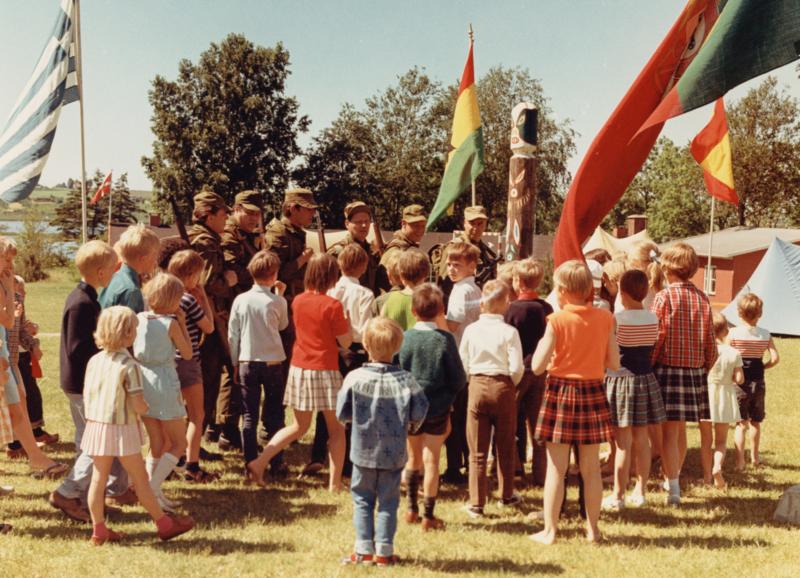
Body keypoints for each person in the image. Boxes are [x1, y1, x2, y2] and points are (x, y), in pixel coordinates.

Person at [82, 306, 194, 544]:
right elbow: (138, 404)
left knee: (97, 480)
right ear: (128, 334)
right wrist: (147, 408)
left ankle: (98, 529)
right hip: (122, 429)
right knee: (140, 479)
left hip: (97, 426)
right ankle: (164, 524)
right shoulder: (129, 365)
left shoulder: (94, 361)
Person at [530, 260, 619, 545]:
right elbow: (615, 362)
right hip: (593, 392)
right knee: (591, 469)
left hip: (561, 392)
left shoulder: (556, 320)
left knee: (557, 469)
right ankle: (593, 530)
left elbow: (536, 366)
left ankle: (550, 531)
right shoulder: (606, 318)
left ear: (564, 290)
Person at [246, 254, 351, 491]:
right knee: (336, 430)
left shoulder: (298, 301)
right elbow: (344, 341)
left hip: (299, 368)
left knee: (298, 427)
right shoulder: (333, 305)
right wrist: (348, 321)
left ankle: (260, 462)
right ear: (331, 277)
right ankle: (334, 484)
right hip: (325, 369)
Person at [337, 317, 429, 566]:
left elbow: (342, 412)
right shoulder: (406, 379)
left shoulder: (354, 378)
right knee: (389, 502)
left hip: (362, 449)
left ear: (365, 344)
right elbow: (421, 410)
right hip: (394, 452)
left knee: (362, 499)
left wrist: (351, 422)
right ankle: (384, 552)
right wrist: (410, 427)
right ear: (398, 346)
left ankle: (364, 549)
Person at [50, 241, 119, 522]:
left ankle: (88, 500)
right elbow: (78, 349)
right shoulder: (82, 303)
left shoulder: (86, 297)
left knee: (86, 442)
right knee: (95, 443)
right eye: (113, 268)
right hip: (82, 385)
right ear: (101, 272)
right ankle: (67, 492)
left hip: (80, 384)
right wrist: (106, 350)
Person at [651, 242, 716, 506]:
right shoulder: (703, 298)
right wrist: (704, 367)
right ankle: (672, 479)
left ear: (668, 268)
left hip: (668, 369)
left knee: (669, 432)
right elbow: (710, 342)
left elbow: (657, 336)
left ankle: (673, 487)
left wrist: (650, 364)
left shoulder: (663, 297)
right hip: (694, 371)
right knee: (678, 431)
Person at [397, 284, 466, 530]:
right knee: (432, 460)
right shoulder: (445, 340)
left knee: (412, 457)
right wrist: (448, 398)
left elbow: (396, 372)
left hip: (410, 407)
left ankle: (410, 509)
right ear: (441, 311)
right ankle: (428, 514)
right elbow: (458, 378)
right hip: (437, 407)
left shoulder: (404, 338)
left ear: (413, 311)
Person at [305, 243, 376, 476]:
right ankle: (345, 462)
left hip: (330, 348)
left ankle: (317, 454)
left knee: (327, 404)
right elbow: (365, 327)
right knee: (352, 407)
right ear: (363, 267)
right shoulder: (365, 294)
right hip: (354, 349)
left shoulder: (331, 292)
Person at [0, 238, 66, 480]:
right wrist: (8, 290)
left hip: (6, 354)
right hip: (1, 356)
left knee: (19, 404)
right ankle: (35, 458)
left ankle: (37, 458)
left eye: (11, 260)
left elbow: (9, 321)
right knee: (15, 407)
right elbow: (7, 321)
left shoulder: (5, 284)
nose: (10, 264)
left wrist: (8, 288)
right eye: (5, 259)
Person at [459, 280, 524, 518]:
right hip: (503, 384)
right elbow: (517, 366)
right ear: (506, 304)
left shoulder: (471, 330)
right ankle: (506, 494)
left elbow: (463, 361)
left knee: (477, 448)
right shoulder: (509, 332)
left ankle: (477, 502)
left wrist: (472, 381)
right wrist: (510, 383)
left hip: (477, 382)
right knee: (505, 443)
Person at [602, 270, 665, 511]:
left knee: (622, 443)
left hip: (620, 380)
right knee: (642, 440)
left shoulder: (616, 319)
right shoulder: (653, 318)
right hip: (645, 379)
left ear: (623, 292)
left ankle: (618, 494)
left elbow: (609, 349)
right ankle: (640, 490)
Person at [134, 273, 193, 511]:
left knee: (156, 441)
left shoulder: (139, 318)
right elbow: (188, 353)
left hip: (142, 380)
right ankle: (151, 489)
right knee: (179, 443)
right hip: (164, 381)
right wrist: (183, 324)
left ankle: (153, 493)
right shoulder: (170, 324)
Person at [228, 250, 289, 475]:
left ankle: (250, 462)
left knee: (249, 415)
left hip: (247, 360)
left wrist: (235, 362)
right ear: (274, 275)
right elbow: (283, 326)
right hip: (273, 361)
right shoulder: (276, 301)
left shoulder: (240, 300)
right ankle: (276, 461)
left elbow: (232, 334)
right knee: (275, 415)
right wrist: (280, 295)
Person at [188, 191, 239, 452]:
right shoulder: (206, 242)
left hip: (208, 319)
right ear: (209, 216)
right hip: (208, 322)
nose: (226, 218)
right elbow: (206, 283)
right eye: (222, 214)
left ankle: (195, 447)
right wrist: (228, 282)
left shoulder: (207, 238)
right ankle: (192, 451)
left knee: (209, 384)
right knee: (206, 386)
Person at [167, 250, 217, 482]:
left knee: (171, 414)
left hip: (168, 361)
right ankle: (192, 464)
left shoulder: (164, 296)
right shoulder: (188, 299)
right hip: (188, 360)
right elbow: (209, 327)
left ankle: (168, 461)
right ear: (190, 276)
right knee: (196, 414)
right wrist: (204, 297)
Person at [504, 258, 553, 486]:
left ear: (516, 281)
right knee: (538, 425)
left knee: (510, 421)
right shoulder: (546, 308)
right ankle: (541, 475)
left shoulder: (512, 309)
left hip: (517, 370)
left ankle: (514, 468)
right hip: (540, 370)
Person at [728, 293, 779, 470]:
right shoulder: (765, 334)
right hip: (759, 381)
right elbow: (775, 358)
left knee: (741, 424)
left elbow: (727, 355)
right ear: (760, 313)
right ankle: (755, 458)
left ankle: (739, 461)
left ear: (739, 313)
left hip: (739, 382)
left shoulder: (733, 333)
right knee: (755, 422)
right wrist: (764, 366)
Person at [699, 312, 743, 490]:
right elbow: (739, 379)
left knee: (705, 441)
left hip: (705, 396)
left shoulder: (702, 349)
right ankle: (717, 467)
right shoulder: (733, 353)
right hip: (725, 396)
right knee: (721, 441)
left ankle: (707, 476)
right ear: (726, 331)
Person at [327, 201, 390, 296]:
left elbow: (382, 284)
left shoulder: (372, 252)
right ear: (347, 224)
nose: (364, 225)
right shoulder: (338, 251)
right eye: (359, 222)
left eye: (367, 221)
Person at [434, 205, 499, 295]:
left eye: (480, 223)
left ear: (485, 224)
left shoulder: (484, 250)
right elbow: (445, 284)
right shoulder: (455, 247)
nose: (476, 227)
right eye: (472, 223)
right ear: (464, 223)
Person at [99, 223, 160, 313]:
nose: (156, 261)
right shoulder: (131, 291)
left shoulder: (113, 277)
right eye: (155, 255)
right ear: (143, 259)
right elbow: (127, 326)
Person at [222, 190, 264, 297]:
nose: (254, 219)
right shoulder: (228, 233)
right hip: (235, 298)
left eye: (257, 214)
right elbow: (233, 269)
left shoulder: (246, 232)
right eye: (249, 213)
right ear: (236, 209)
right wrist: (264, 273)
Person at [381, 249, 430, 331]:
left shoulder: (390, 300)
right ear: (426, 274)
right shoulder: (431, 300)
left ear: (401, 275)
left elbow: (381, 329)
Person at [445, 241, 482, 346]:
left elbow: (452, 325)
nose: (451, 269)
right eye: (448, 264)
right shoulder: (476, 289)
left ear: (471, 266)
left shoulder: (460, 290)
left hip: (459, 346)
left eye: (456, 265)